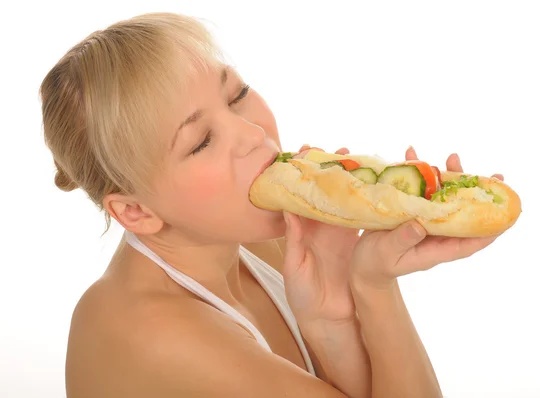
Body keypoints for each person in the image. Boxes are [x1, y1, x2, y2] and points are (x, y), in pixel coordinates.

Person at [40, 12, 504, 398]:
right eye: (201, 141)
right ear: (135, 211)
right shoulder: (143, 329)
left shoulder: (261, 244)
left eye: (236, 95)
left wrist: (344, 306)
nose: (252, 134)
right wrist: (374, 292)